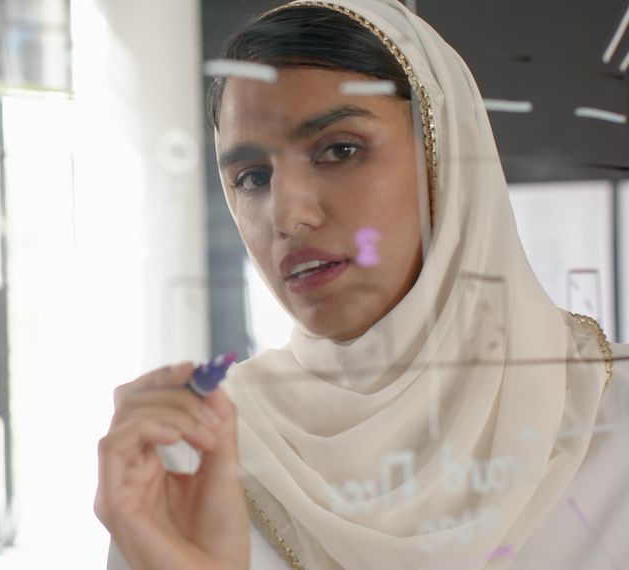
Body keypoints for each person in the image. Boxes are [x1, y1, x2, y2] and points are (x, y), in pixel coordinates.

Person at [95, 0, 629, 568]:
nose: (287, 215)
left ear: (444, 155)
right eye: (252, 177)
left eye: (339, 150)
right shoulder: (198, 460)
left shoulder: (612, 422)